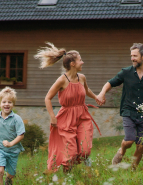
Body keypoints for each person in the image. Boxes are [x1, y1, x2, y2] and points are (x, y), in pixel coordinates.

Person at [36, 42, 102, 172]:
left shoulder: (82, 78)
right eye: (80, 60)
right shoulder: (62, 80)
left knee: (85, 151)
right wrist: (52, 117)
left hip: (83, 116)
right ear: (72, 64)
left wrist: (96, 97)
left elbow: (87, 90)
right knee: (70, 154)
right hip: (66, 118)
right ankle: (67, 177)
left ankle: (76, 166)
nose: (82, 62)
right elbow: (47, 98)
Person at [96, 43, 143, 168]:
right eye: (131, 56)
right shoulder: (125, 72)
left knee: (141, 144)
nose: (132, 58)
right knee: (130, 139)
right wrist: (102, 93)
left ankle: (133, 168)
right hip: (128, 110)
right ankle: (122, 150)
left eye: (135, 56)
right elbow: (110, 82)